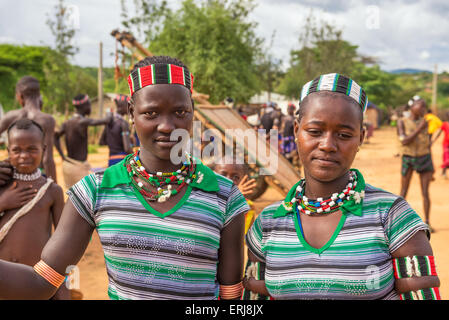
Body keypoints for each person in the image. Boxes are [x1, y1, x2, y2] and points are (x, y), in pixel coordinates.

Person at [0, 55, 248, 300]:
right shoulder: (94, 191)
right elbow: (42, 282)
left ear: (192, 111)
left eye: (180, 111)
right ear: (132, 112)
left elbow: (231, 297)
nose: (167, 126)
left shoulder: (225, 196)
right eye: (151, 113)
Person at [244, 73, 440, 300]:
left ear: (361, 138)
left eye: (344, 135)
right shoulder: (268, 223)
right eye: (315, 132)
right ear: (297, 130)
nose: (327, 145)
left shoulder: (392, 216)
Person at [0, 119, 69, 299]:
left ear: (44, 150)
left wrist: (64, 284)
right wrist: (3, 203)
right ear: (8, 151)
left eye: (31, 149)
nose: (24, 156)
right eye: (17, 150)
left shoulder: (52, 190)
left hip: (37, 282)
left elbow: (64, 241)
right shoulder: (2, 186)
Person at [0, 76, 57, 182]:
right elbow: (47, 159)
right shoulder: (47, 120)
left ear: (20, 96)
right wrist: (53, 186)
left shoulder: (10, 116)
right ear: (39, 95)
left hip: (13, 176)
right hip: (38, 176)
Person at [54, 94, 112, 189]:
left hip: (68, 165)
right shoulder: (82, 121)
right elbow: (106, 120)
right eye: (89, 104)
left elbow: (55, 137)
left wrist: (62, 156)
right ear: (84, 106)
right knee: (86, 198)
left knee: (73, 198)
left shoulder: (67, 123)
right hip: (79, 168)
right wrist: (109, 112)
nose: (90, 107)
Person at [397, 97, 434, 231]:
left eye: (425, 106)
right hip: (408, 158)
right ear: (412, 106)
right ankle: (397, 221)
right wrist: (419, 128)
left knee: (425, 192)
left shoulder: (426, 122)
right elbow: (404, 141)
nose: (424, 109)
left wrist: (432, 167)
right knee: (403, 191)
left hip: (424, 158)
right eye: (421, 106)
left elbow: (428, 144)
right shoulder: (402, 122)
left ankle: (428, 222)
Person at [99, 94, 133, 167]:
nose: (129, 108)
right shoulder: (123, 123)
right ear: (123, 106)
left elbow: (102, 142)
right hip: (122, 160)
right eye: (128, 106)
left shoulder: (109, 123)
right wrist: (135, 156)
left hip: (111, 160)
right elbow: (127, 148)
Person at [431, 111, 449, 178]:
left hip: (446, 144)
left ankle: (443, 172)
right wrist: (433, 140)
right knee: (446, 158)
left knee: (447, 158)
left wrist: (433, 140)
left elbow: (439, 134)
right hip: (446, 144)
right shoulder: (444, 124)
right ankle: (444, 173)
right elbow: (439, 133)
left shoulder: (445, 124)